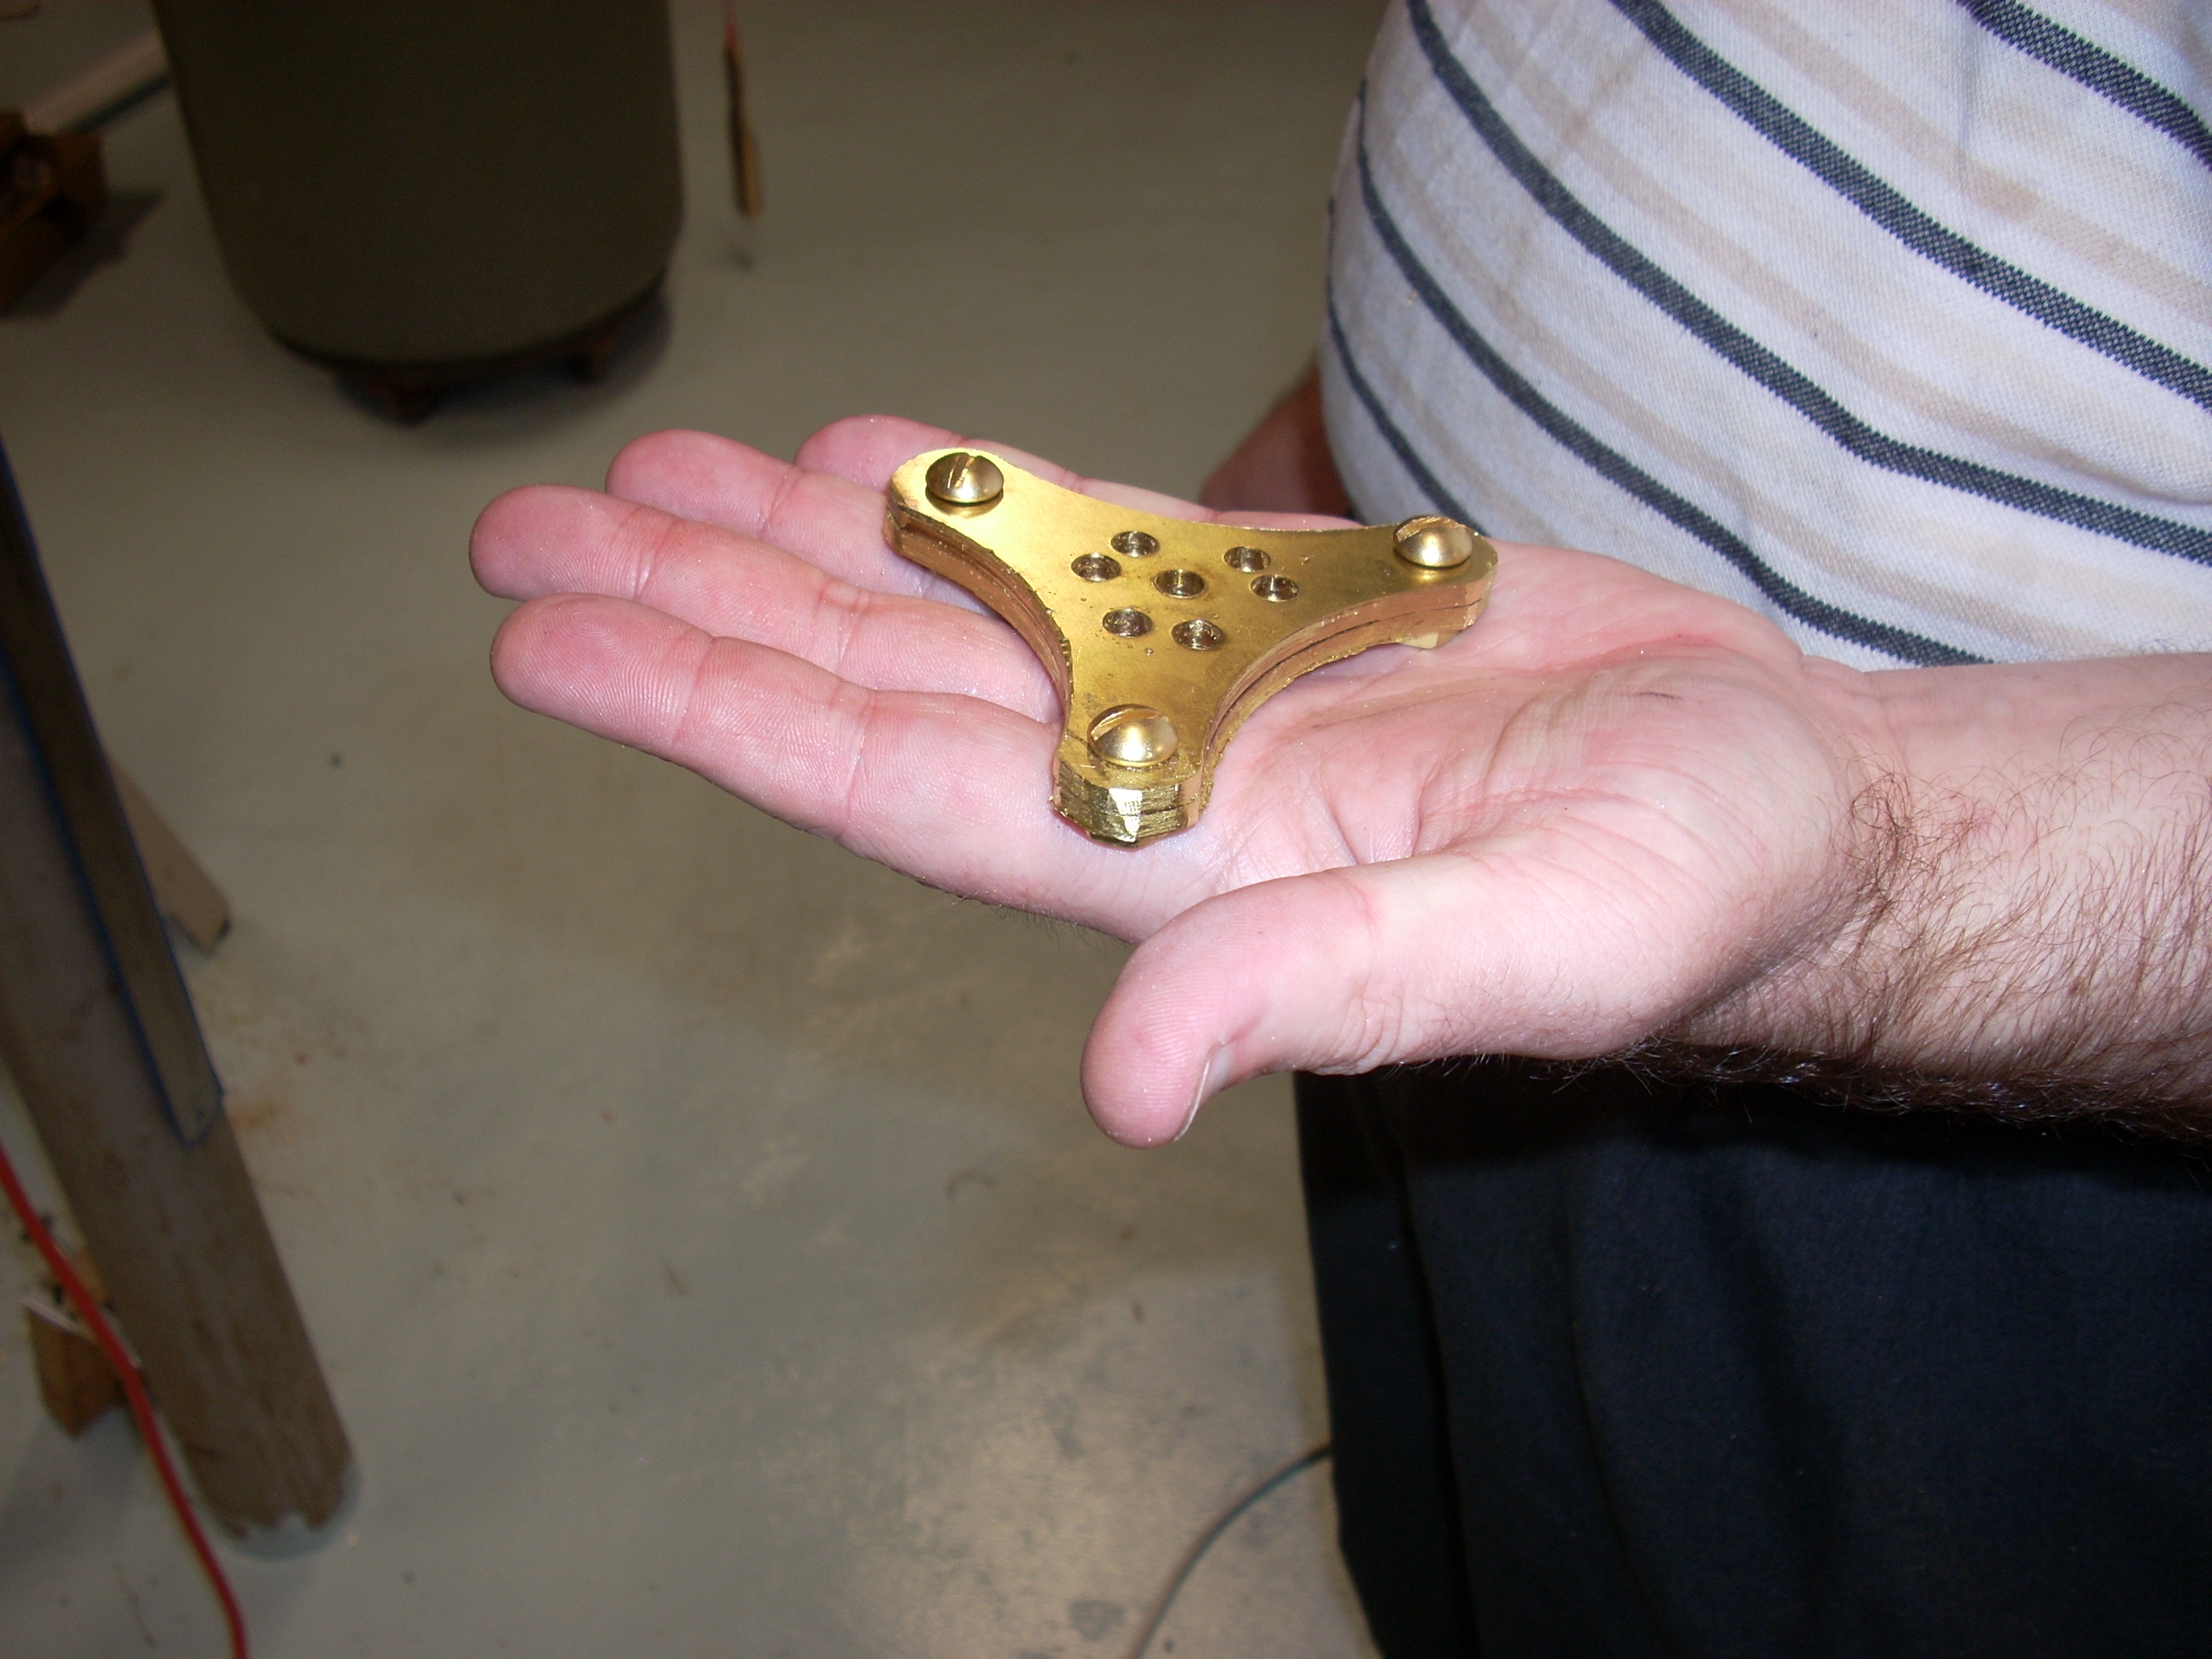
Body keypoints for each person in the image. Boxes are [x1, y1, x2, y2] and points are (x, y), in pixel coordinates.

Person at [472, 2, 2212, 1652]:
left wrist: (1888, 839)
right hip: (1411, 808)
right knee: (1458, 1513)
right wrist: (1348, 418)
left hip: (2010, 1050)